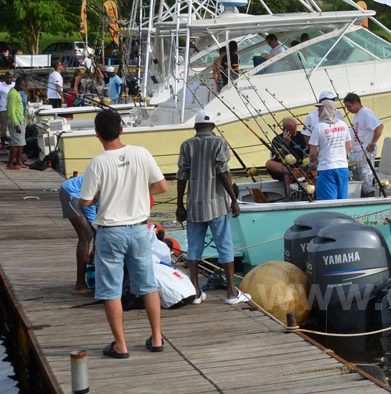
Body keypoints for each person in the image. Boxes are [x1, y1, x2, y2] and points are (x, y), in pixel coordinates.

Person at [78, 109, 168, 358]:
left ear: (97, 135)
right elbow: (162, 186)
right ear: (121, 129)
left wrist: (102, 195)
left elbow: (85, 201)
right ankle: (157, 339)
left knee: (111, 290)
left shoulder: (98, 163)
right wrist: (140, 192)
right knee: (148, 285)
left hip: (111, 232)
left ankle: (121, 345)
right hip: (139, 229)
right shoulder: (141, 153)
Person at [175, 110, 249, 305]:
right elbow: (223, 171)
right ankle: (232, 293)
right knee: (225, 246)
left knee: (193, 249)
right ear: (213, 127)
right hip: (216, 204)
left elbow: (181, 176)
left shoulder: (187, 145)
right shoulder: (219, 143)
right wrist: (233, 199)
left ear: (195, 127)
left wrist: (179, 204)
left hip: (194, 206)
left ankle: (196, 292)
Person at [308, 92, 352, 200]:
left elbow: (312, 153)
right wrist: (340, 155)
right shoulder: (343, 124)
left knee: (328, 201)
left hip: (326, 169)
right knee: (342, 200)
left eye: (320, 109)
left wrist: (314, 161)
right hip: (343, 168)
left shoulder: (319, 127)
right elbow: (350, 146)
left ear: (326, 110)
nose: (318, 111)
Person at [60, 174, 98, 295]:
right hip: (72, 193)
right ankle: (80, 285)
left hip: (87, 196)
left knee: (97, 232)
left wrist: (96, 247)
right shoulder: (107, 182)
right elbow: (90, 206)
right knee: (86, 235)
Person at [343, 92, 384, 194]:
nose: (348, 110)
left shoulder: (365, 113)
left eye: (349, 107)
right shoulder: (357, 115)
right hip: (356, 154)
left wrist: (373, 143)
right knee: (359, 182)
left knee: (367, 182)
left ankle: (370, 199)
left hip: (364, 153)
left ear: (356, 103)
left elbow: (379, 127)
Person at [267, 117, 307, 194]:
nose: (294, 131)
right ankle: (293, 172)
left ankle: (295, 173)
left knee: (287, 176)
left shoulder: (302, 136)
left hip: (301, 167)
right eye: (291, 130)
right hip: (285, 168)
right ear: (285, 130)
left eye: (295, 128)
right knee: (269, 163)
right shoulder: (276, 139)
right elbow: (276, 158)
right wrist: (285, 144)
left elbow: (307, 152)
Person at [6, 76, 27, 170]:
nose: (23, 87)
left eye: (24, 85)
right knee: (16, 143)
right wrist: (16, 124)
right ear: (17, 84)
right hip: (16, 120)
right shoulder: (13, 94)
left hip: (20, 119)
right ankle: (10, 164)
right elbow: (11, 109)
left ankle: (19, 162)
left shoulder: (17, 92)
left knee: (21, 143)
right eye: (22, 85)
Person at [0, 71, 13, 148]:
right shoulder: (1, 85)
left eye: (10, 78)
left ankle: (12, 144)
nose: (9, 79)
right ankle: (3, 146)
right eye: (7, 78)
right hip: (3, 109)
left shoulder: (15, 85)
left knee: (12, 127)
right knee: (4, 128)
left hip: (13, 109)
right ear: (5, 78)